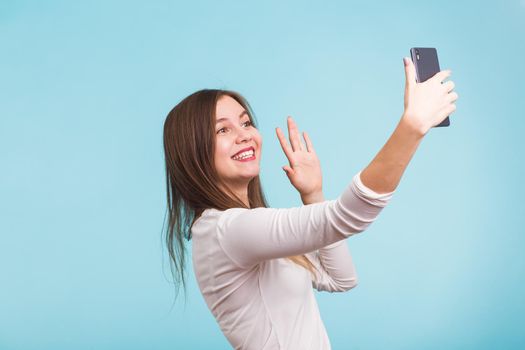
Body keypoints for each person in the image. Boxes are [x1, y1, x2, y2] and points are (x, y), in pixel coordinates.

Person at [162, 57, 458, 349]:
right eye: (222, 130)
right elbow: (349, 216)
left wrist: (313, 195)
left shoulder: (247, 228)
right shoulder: (228, 231)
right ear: (193, 152)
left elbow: (340, 278)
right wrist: (411, 128)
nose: (245, 136)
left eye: (246, 123)